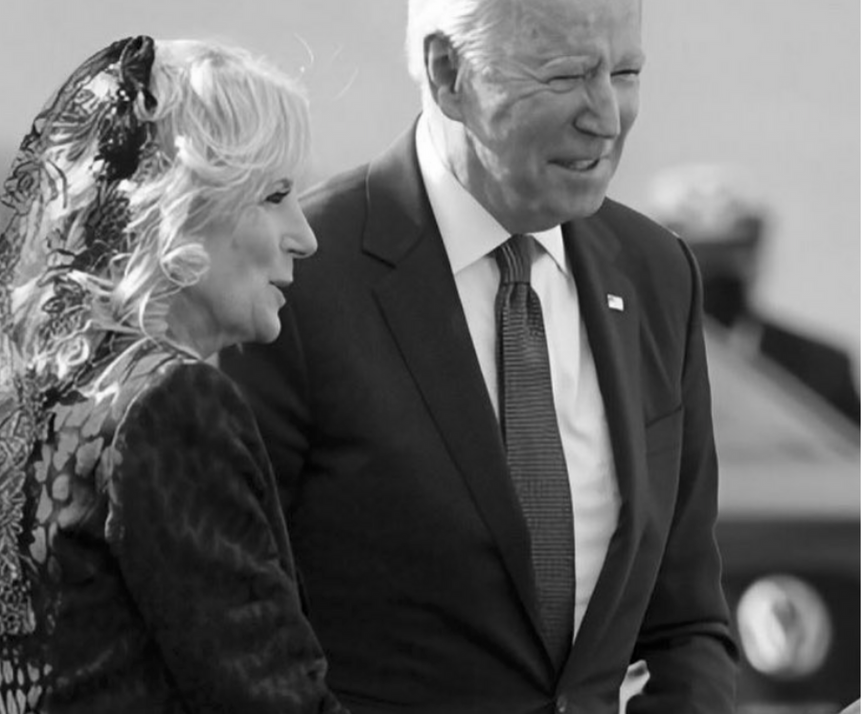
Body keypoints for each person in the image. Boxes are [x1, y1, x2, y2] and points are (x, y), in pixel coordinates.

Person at [221, 1, 740, 712]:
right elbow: (233, 627)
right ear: (448, 72)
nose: (607, 117)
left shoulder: (657, 273)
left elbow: (685, 624)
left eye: (625, 72)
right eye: (565, 77)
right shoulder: (298, 281)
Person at [0, 35, 348, 713]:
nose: (305, 234)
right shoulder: (171, 404)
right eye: (274, 196)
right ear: (183, 207)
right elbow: (268, 695)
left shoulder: (29, 390)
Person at [648, 163, 861, 425]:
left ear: (756, 252)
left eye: (731, 253)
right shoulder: (625, 361)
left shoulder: (824, 370)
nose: (715, 272)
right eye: (699, 256)